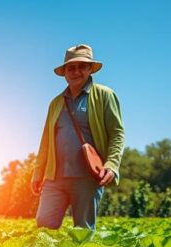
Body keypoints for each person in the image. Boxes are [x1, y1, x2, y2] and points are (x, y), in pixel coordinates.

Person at [31, 44, 124, 229]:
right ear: (64, 72)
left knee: (82, 232)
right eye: (71, 67)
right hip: (55, 178)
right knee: (44, 225)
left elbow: (117, 133)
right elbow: (46, 142)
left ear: (90, 69)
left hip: (87, 177)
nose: (76, 71)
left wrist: (112, 164)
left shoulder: (105, 95)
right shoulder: (55, 103)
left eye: (82, 66)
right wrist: (38, 172)